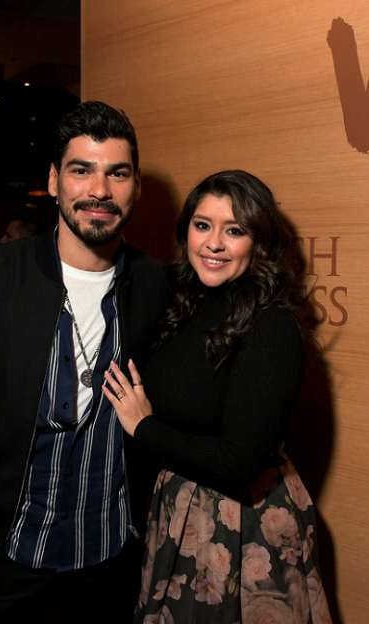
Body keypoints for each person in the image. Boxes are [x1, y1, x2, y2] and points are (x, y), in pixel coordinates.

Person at [0, 100, 169, 623]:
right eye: (81, 171)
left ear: (135, 184)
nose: (99, 190)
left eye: (116, 173)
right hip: (8, 548)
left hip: (110, 551)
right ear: (53, 181)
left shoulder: (158, 287)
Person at [103, 170, 332, 623]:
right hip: (179, 510)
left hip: (242, 526)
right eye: (202, 225)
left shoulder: (271, 327)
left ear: (259, 242)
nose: (213, 243)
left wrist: (144, 427)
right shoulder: (183, 304)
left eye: (234, 230)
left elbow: (237, 461)